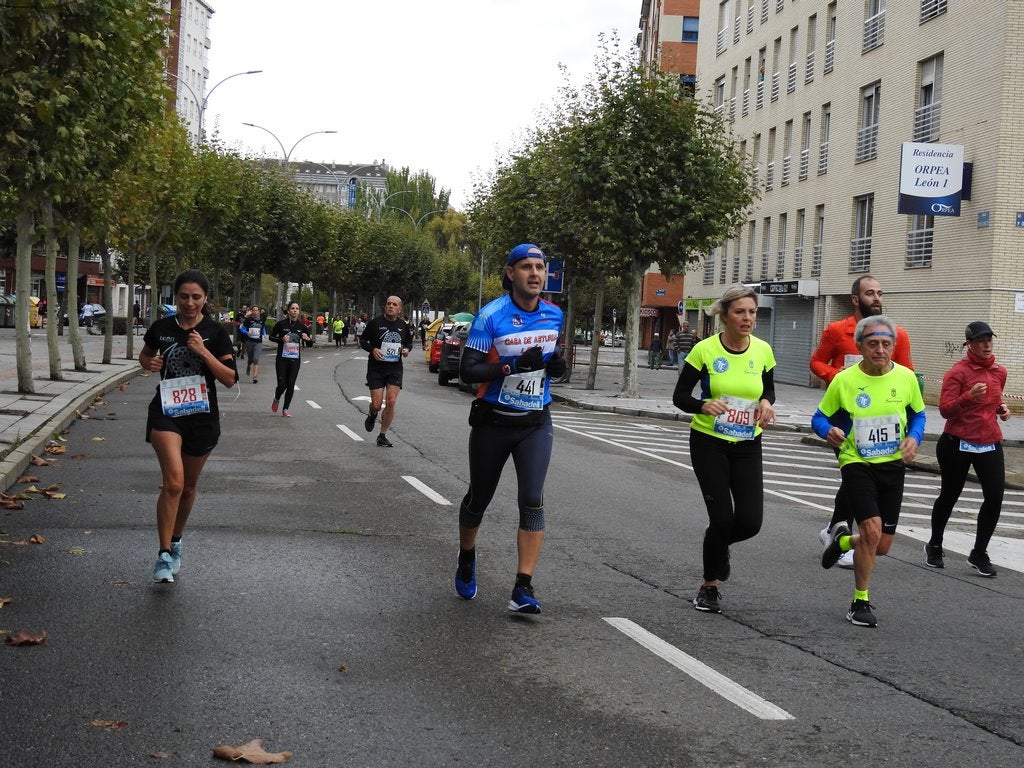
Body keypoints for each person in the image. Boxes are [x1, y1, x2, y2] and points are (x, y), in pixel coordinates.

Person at [455, 243, 565, 613]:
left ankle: (523, 586)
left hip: (536, 421)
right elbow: (468, 371)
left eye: (541, 267)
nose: (535, 274)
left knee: (532, 499)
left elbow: (551, 362)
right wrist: (511, 366)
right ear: (510, 273)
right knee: (479, 499)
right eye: (527, 267)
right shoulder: (490, 316)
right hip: (493, 422)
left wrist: (556, 368)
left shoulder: (554, 315)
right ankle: (467, 556)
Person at [814, 315, 925, 628]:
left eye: (886, 344)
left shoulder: (906, 379)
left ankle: (843, 542)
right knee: (873, 531)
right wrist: (828, 431)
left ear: (893, 346)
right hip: (856, 462)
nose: (880, 349)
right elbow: (819, 418)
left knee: (883, 545)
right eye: (873, 344)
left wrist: (913, 438)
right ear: (860, 346)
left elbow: (918, 416)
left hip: (893, 465)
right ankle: (859, 601)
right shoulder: (845, 380)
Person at [672, 284, 777, 614]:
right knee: (721, 517)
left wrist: (766, 404)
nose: (748, 318)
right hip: (708, 443)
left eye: (752, 312)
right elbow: (680, 397)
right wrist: (703, 406)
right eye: (740, 312)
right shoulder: (704, 351)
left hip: (747, 443)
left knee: (750, 521)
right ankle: (709, 586)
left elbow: (769, 391)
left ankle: (719, 546)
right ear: (725, 315)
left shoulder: (762, 351)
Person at [138, 269, 237, 583]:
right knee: (174, 484)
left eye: (196, 297)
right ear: (175, 297)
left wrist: (203, 351)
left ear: (205, 299)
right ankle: (164, 553)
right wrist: (148, 363)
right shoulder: (162, 328)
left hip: (202, 416)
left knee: (189, 487)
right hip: (166, 411)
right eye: (184, 296)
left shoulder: (215, 332)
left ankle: (176, 541)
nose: (190, 303)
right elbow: (146, 355)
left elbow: (230, 378)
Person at [810, 275, 915, 569]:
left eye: (880, 292)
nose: (877, 298)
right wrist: (838, 381)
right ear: (856, 299)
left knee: (855, 483)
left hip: (886, 427)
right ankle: (844, 532)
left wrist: (912, 431)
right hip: (847, 425)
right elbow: (816, 361)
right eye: (870, 293)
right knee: (855, 475)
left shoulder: (898, 335)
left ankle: (836, 530)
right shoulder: (836, 330)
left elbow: (907, 375)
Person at [926, 321, 1010, 577]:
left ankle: (979, 552)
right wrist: (968, 396)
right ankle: (935, 545)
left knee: (995, 496)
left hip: (988, 442)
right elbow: (945, 409)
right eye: (981, 341)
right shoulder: (958, 373)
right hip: (957, 443)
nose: (986, 345)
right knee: (950, 495)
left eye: (989, 340)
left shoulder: (999, 372)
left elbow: (992, 402)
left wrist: (1000, 409)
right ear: (970, 344)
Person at [359, 296, 414, 447]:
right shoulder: (375, 323)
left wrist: (406, 349)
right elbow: (363, 340)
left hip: (394, 368)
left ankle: (382, 435)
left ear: (399, 309)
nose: (390, 306)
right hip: (376, 368)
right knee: (377, 404)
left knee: (391, 401)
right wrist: (373, 349)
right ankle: (372, 413)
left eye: (394, 304)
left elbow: (409, 342)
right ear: (385, 306)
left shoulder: (403, 325)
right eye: (388, 304)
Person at [268, 301, 311, 417]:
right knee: (282, 385)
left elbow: (310, 343)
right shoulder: (281, 324)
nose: (295, 310)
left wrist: (307, 339)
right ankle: (276, 398)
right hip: (282, 358)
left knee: (291, 384)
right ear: (288, 311)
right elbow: (271, 337)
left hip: (295, 359)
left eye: (297, 308)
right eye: (292, 308)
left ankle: (285, 409)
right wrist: (281, 339)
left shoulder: (302, 326)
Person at [240, 306, 266, 383]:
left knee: (255, 359)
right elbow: (241, 329)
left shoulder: (262, 320)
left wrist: (264, 334)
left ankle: (255, 377)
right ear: (252, 311)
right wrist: (247, 333)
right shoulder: (248, 320)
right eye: (253, 310)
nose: (255, 312)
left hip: (258, 342)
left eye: (256, 310)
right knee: (251, 359)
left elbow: (263, 328)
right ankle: (248, 365)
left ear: (259, 312)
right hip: (249, 342)